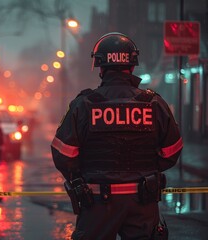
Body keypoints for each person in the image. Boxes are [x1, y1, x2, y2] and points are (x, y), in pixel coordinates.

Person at [51, 32, 183, 240]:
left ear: (100, 68)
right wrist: (149, 167)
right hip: (143, 201)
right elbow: (173, 149)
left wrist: (78, 176)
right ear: (132, 66)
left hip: (97, 203)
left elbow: (62, 152)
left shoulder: (84, 105)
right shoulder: (154, 104)